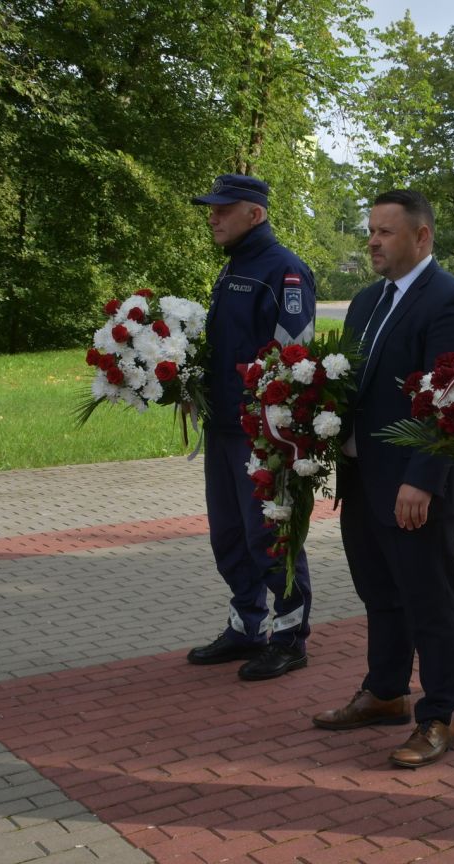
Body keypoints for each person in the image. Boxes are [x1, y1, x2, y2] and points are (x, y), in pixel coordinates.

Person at [312, 190, 454, 768]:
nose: (373, 242)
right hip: (362, 475)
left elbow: (448, 399)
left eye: (386, 232)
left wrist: (422, 478)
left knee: (429, 600)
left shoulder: (451, 302)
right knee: (379, 593)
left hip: (416, 485)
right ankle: (386, 692)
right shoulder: (365, 301)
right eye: (371, 231)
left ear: (422, 237)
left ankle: (438, 716)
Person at [185, 173, 316, 681]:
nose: (213, 216)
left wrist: (277, 433)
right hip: (223, 429)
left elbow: (292, 358)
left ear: (254, 214)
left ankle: (289, 639)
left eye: (223, 208)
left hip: (261, 434)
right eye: (211, 207)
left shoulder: (282, 270)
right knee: (230, 535)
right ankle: (246, 626)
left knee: (270, 535)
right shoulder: (236, 267)